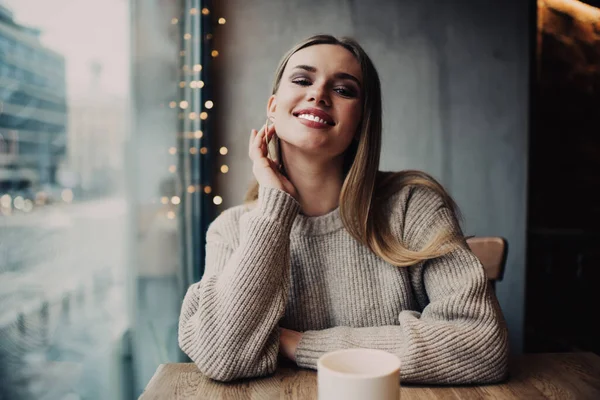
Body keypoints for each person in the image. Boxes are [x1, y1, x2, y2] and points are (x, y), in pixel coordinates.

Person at [178, 34, 509, 384]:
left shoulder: (412, 206)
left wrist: (297, 343)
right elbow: (223, 358)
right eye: (303, 80)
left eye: (344, 90)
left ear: (360, 124)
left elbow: (481, 345)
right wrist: (274, 212)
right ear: (273, 107)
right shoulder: (232, 228)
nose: (318, 94)